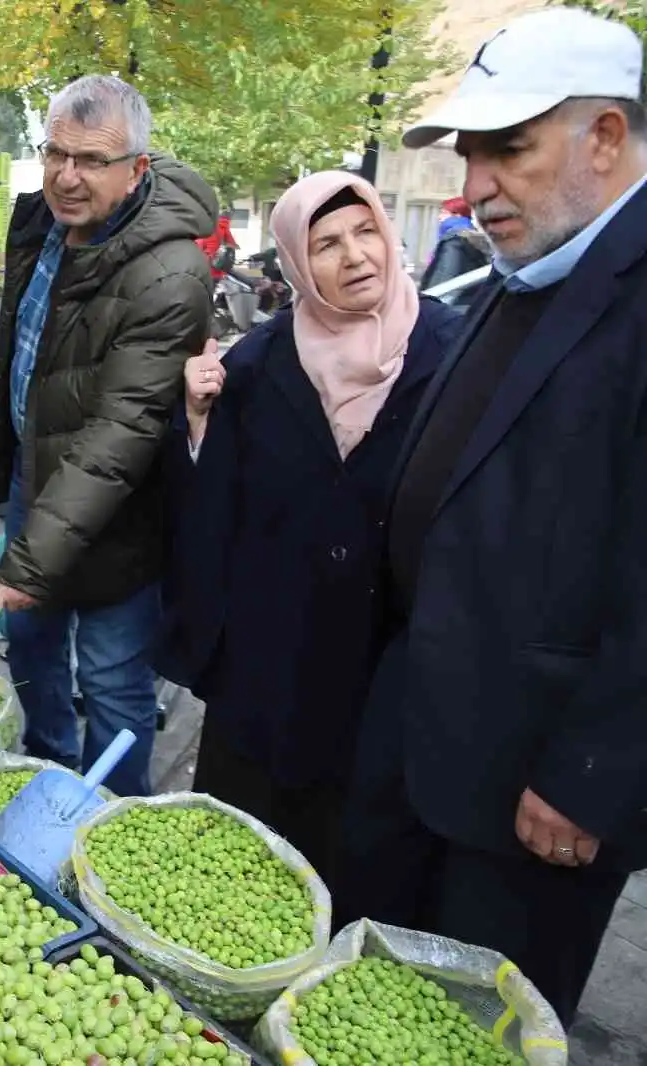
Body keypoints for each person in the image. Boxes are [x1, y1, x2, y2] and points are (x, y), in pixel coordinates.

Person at [340, 8, 647, 1026]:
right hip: (423, 739)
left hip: (536, 793)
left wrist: (590, 774)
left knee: (475, 1030)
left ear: (604, 136)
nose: (473, 189)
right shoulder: (523, 275)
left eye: (507, 150)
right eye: (471, 155)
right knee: (376, 1010)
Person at [154, 172, 461, 874]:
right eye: (326, 243)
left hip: (388, 671)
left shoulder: (452, 354)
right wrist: (197, 427)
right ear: (295, 262)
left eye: (364, 234)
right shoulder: (258, 367)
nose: (355, 256)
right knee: (240, 872)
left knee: (361, 868)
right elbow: (210, 517)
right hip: (270, 669)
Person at [0, 75, 214, 795]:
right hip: (38, 483)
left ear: (137, 169)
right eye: (56, 152)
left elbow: (120, 434)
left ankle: (111, 822)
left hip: (122, 515)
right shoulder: (40, 222)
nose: (66, 176)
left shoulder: (170, 272)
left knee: (112, 683)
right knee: (32, 651)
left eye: (91, 161)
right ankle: (51, 782)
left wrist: (26, 564)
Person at [197, 209, 237, 279]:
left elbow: (198, 246)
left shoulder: (208, 229)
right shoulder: (226, 230)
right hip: (220, 268)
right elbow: (233, 247)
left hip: (208, 268)